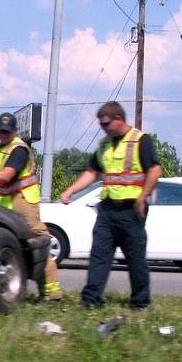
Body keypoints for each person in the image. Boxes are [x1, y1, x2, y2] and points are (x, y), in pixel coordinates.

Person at [58, 101, 161, 309]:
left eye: (105, 124)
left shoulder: (140, 141)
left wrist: (142, 198)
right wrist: (71, 190)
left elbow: (155, 170)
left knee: (135, 259)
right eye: (101, 124)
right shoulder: (104, 144)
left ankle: (140, 302)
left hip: (132, 209)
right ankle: (90, 300)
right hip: (107, 209)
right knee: (99, 256)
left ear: (119, 119)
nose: (102, 128)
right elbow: (92, 172)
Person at [0, 112, 62, 300]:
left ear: (15, 131)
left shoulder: (19, 150)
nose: (3, 135)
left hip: (22, 202)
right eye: (1, 131)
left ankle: (52, 291)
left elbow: (6, 175)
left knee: (36, 241)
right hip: (2, 203)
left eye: (7, 132)